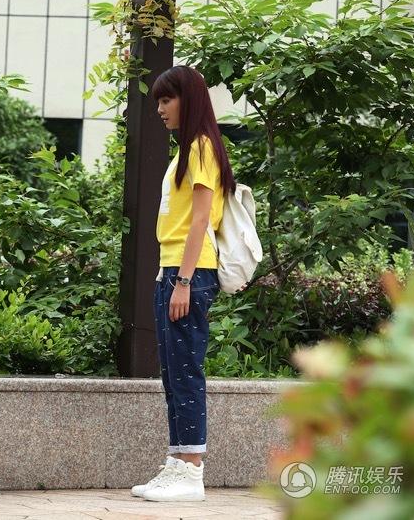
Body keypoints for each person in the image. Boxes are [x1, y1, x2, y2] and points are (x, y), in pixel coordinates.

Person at [131, 66, 236, 502]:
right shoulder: (187, 150)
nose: (159, 109)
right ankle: (177, 463)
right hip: (172, 270)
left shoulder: (202, 147)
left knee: (186, 370)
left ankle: (191, 471)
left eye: (166, 100)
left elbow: (200, 220)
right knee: (172, 373)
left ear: (187, 100)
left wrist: (185, 281)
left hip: (189, 272)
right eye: (158, 101)